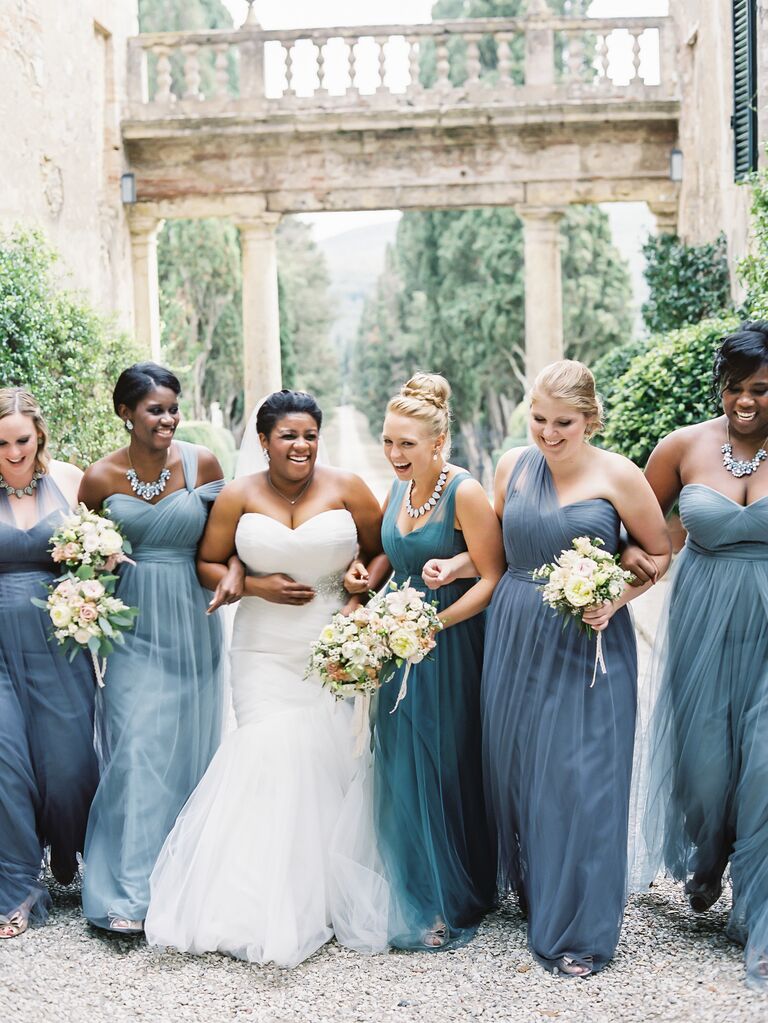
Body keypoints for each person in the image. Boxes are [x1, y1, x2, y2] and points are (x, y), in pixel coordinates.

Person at [145, 389, 384, 968]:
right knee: (264, 750)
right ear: (264, 441)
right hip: (260, 647)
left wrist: (359, 587)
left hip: (328, 643)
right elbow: (207, 563)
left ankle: (319, 892)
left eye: (309, 435)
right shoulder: (238, 494)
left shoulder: (348, 487)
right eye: (288, 436)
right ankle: (252, 897)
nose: (300, 446)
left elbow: (381, 554)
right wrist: (254, 585)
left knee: (323, 759)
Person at [481, 360, 669, 976]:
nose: (549, 434)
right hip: (513, 630)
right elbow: (486, 546)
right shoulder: (511, 465)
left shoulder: (619, 475)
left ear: (590, 419)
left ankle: (582, 928)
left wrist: (613, 596)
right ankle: (543, 892)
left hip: (587, 643)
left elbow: (658, 550)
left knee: (583, 777)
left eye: (564, 422)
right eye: (538, 419)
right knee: (524, 770)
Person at [624, 321, 768, 989]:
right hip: (704, 629)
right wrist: (619, 575)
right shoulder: (681, 448)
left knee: (766, 769)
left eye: (762, 389)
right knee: (707, 772)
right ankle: (709, 856)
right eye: (734, 387)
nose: (745, 401)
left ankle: (761, 918)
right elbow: (644, 531)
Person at [343, 373, 505, 950]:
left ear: (438, 443)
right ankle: (413, 883)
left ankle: (454, 892)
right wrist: (368, 580)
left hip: (449, 640)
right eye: (388, 441)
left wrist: (434, 624)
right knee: (399, 759)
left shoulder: (464, 492)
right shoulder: (397, 489)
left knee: (443, 760)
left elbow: (493, 575)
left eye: (406, 444)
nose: (394, 454)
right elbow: (393, 551)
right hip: (397, 639)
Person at [79, 363, 237, 934]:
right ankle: (127, 892)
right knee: (136, 750)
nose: (168, 419)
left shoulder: (205, 465)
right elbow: (77, 557)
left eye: (173, 408)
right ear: (126, 413)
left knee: (188, 754)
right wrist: (93, 570)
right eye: (155, 410)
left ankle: (183, 886)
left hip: (192, 623)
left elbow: (232, 537)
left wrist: (236, 573)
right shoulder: (99, 478)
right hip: (131, 626)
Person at [0, 387, 99, 939]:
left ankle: (71, 851)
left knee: (68, 768)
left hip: (60, 643)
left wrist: (97, 569)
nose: (13, 454)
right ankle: (15, 886)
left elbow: (99, 553)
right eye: (2, 444)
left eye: (22, 441)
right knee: (4, 764)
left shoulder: (71, 481)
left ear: (39, 437)